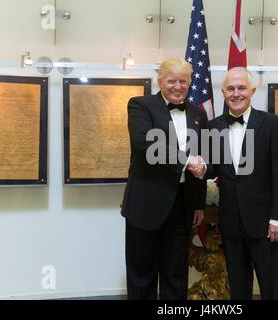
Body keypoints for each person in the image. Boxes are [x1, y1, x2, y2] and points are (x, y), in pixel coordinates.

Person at [190, 67, 278, 300]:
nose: (236, 93)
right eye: (231, 89)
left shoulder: (273, 124)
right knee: (237, 289)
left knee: (272, 289)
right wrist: (202, 167)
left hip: (267, 226)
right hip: (232, 224)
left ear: (252, 91)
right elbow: (215, 167)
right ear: (223, 92)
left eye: (242, 88)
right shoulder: (214, 126)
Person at [121, 58, 208, 300]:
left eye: (183, 81)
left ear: (190, 83)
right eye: (172, 81)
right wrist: (186, 160)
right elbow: (145, 145)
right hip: (145, 203)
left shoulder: (197, 113)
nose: (178, 86)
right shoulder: (140, 105)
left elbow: (201, 154)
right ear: (160, 81)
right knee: (142, 274)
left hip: (181, 205)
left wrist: (199, 202)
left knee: (176, 273)